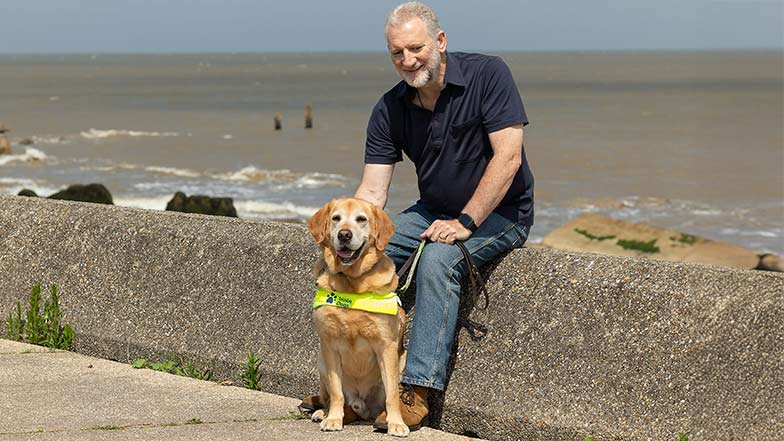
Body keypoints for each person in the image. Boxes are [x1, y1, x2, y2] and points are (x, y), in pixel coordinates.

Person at [302, 1, 534, 432]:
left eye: (416, 49)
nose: (408, 61)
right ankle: (351, 390)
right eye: (397, 53)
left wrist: (466, 222)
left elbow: (509, 157)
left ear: (440, 42)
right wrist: (346, 232)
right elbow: (372, 194)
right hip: (433, 211)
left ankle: (415, 391)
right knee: (349, 255)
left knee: (438, 262)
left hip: (501, 212)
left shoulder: (489, 76)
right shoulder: (390, 108)